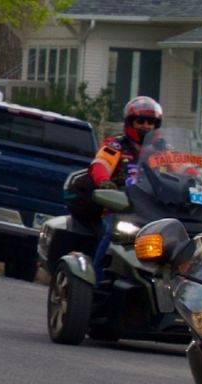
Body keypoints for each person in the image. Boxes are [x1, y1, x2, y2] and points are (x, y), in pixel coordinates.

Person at [83, 96, 163, 267]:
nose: (146, 126)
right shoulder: (115, 146)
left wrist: (196, 178)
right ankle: (97, 275)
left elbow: (183, 168)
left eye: (150, 122)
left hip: (155, 211)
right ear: (130, 122)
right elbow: (101, 164)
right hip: (120, 209)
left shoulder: (162, 151)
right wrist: (104, 181)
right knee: (110, 233)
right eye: (140, 121)